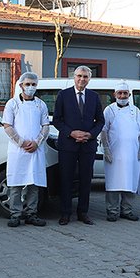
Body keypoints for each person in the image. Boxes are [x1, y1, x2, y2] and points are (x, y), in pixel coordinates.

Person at [52, 66, 105, 226]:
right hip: (68, 145)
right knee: (66, 179)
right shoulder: (64, 95)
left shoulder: (94, 97)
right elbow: (57, 120)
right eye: (79, 76)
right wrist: (71, 133)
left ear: (89, 79)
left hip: (87, 146)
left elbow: (100, 121)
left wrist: (90, 135)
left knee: (85, 179)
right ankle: (65, 213)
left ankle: (83, 212)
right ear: (74, 77)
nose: (82, 79)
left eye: (85, 77)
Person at [2, 72, 50, 227]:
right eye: (27, 84)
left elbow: (45, 126)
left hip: (36, 150)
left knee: (34, 183)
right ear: (21, 85)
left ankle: (31, 213)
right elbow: (7, 126)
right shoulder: (12, 104)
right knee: (16, 183)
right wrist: (21, 142)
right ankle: (15, 214)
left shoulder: (41, 105)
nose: (30, 87)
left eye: (33, 84)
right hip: (18, 151)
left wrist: (37, 142)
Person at [100, 81, 140, 222]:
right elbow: (103, 131)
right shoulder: (109, 110)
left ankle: (127, 210)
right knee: (114, 183)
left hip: (132, 154)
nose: (122, 96)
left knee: (130, 182)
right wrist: (106, 149)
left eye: (125, 93)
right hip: (114, 154)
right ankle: (112, 211)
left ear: (129, 95)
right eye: (119, 93)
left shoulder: (136, 111)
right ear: (115, 95)